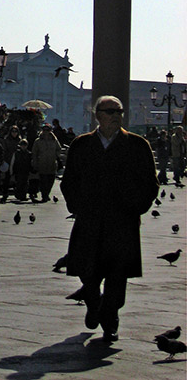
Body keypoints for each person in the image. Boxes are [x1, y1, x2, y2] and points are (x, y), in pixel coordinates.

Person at [60, 95, 158, 342]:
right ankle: (94, 302)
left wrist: (135, 207)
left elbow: (150, 183)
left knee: (117, 274)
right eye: (110, 111)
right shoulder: (81, 145)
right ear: (98, 115)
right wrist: (77, 206)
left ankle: (110, 315)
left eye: (119, 112)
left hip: (122, 221)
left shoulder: (137, 145)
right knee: (87, 269)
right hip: (89, 219)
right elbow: (69, 181)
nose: (116, 116)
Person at [31, 123, 63, 202]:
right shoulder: (38, 141)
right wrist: (35, 163)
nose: (45, 132)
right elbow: (34, 152)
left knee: (50, 180)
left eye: (47, 130)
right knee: (43, 181)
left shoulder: (54, 140)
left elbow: (59, 149)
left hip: (52, 164)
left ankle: (47, 193)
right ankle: (44, 195)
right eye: (44, 130)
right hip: (42, 163)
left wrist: (55, 155)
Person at [0, 125, 21, 202]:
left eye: (16, 131)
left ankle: (20, 193)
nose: (14, 133)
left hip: (17, 161)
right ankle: (5, 193)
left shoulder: (19, 140)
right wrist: (3, 159)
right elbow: (4, 150)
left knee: (19, 178)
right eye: (13, 131)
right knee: (7, 178)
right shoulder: (7, 140)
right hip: (9, 160)